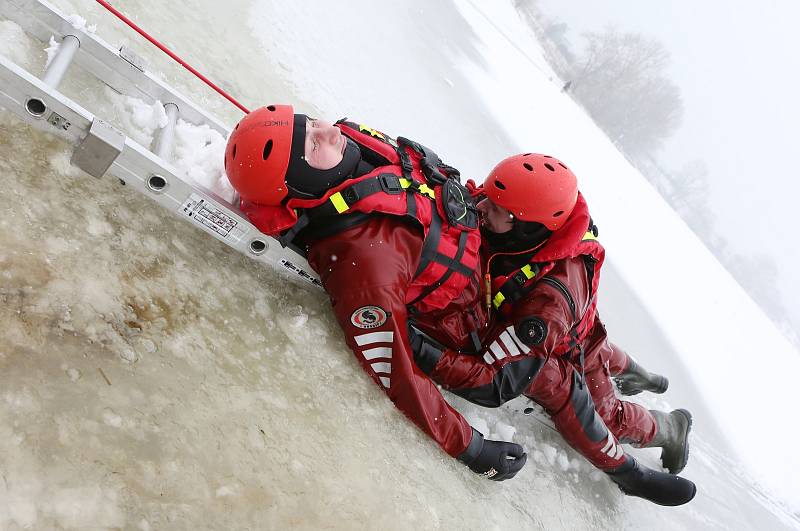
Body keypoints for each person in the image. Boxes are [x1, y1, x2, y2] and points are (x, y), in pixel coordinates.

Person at [224, 105, 695, 505]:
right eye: (311, 142)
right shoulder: (370, 256)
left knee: (585, 360)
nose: (326, 130)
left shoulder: (347, 151)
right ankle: (658, 415)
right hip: (490, 303)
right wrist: (469, 447)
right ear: (304, 181)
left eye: (313, 125)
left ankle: (643, 402)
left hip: (527, 299)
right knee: (574, 363)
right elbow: (395, 367)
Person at [408, 153, 694, 504]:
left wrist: (413, 347)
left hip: (570, 344)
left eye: (495, 209)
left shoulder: (550, 302)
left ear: (528, 226)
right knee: (597, 343)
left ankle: (670, 427)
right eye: (486, 196)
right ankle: (640, 374)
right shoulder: (518, 204)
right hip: (577, 324)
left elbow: (494, 382)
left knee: (607, 415)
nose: (480, 206)